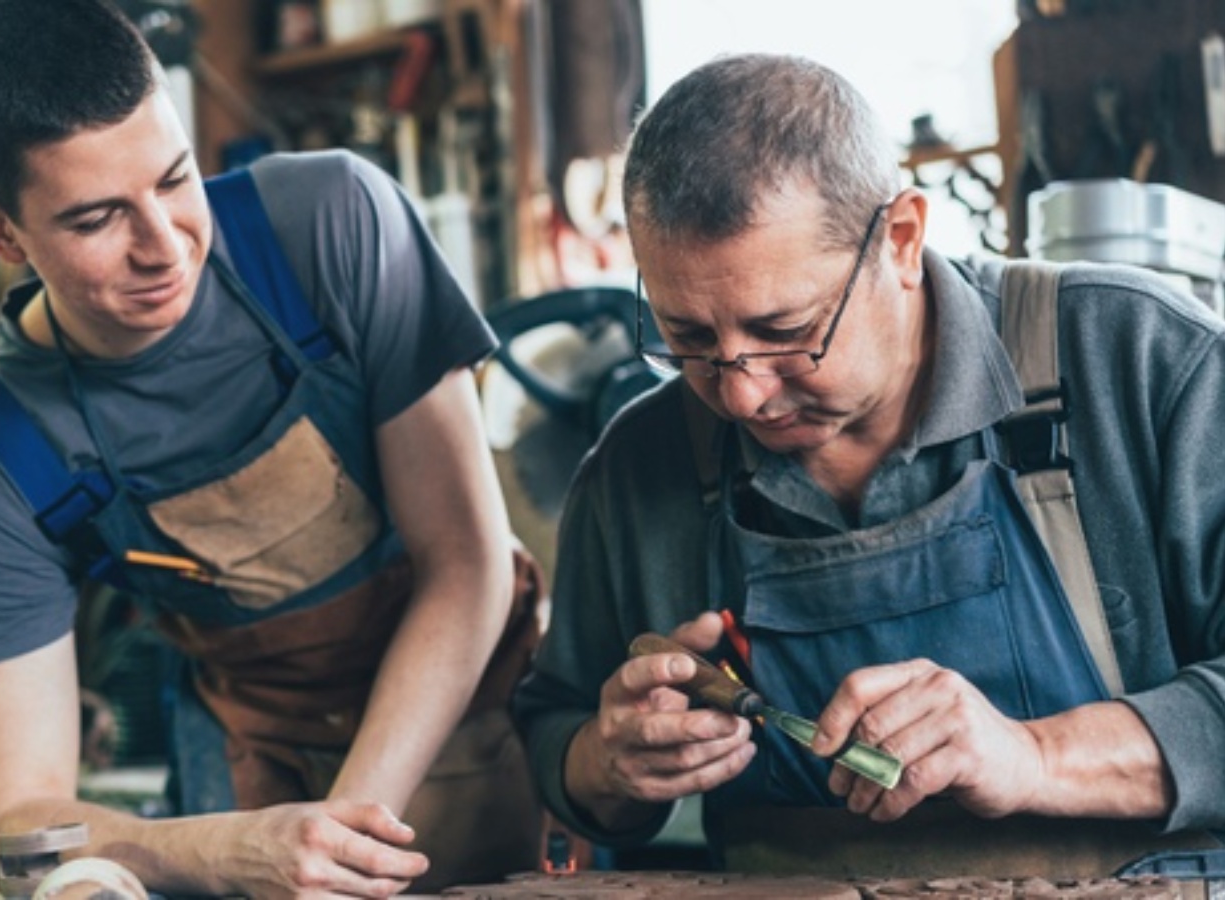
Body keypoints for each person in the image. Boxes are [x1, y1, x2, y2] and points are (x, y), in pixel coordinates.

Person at [513, 53, 1225, 875]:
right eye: (692, 341)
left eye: (785, 332)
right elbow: (552, 731)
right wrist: (608, 763)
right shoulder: (640, 465)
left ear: (902, 240)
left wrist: (1035, 755)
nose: (741, 397)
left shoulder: (1138, 361)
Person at [0, 0, 545, 895]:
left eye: (175, 180)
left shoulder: (332, 225)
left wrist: (338, 846)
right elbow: (15, 821)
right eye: (97, 220)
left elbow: (466, 563)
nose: (165, 247)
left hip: (470, 713)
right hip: (248, 774)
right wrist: (227, 850)